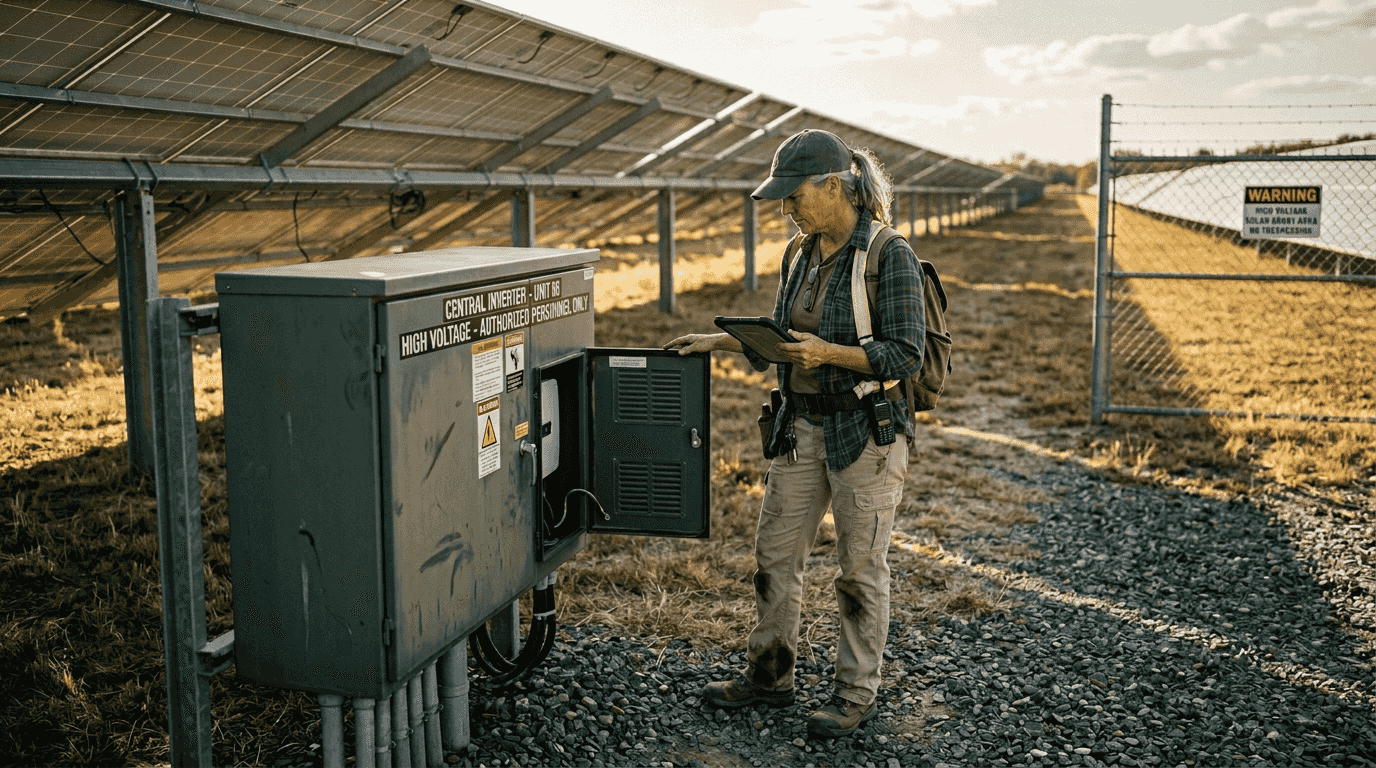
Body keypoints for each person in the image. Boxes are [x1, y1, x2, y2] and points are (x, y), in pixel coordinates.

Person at [663, 129, 927, 738]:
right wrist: (719, 341)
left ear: (834, 186)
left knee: (859, 569)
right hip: (800, 426)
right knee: (775, 557)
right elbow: (783, 335)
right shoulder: (799, 254)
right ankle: (769, 675)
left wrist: (831, 355)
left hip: (865, 431)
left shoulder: (888, 256)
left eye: (794, 195)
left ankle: (854, 693)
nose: (787, 210)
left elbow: (906, 354)